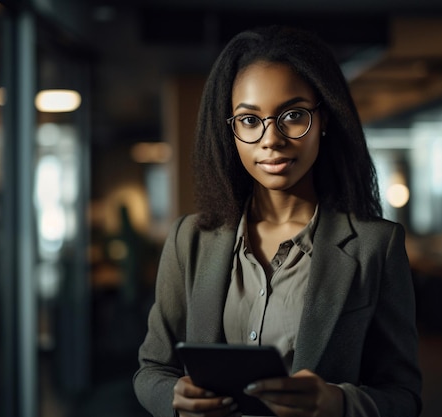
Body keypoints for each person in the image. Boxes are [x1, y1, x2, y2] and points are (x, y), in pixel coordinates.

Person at [133, 25, 422, 417]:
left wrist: (337, 403)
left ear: (324, 119)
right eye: (250, 120)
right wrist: (174, 398)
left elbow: (403, 396)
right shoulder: (190, 240)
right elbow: (152, 369)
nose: (271, 139)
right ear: (230, 131)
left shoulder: (375, 246)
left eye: (293, 115)